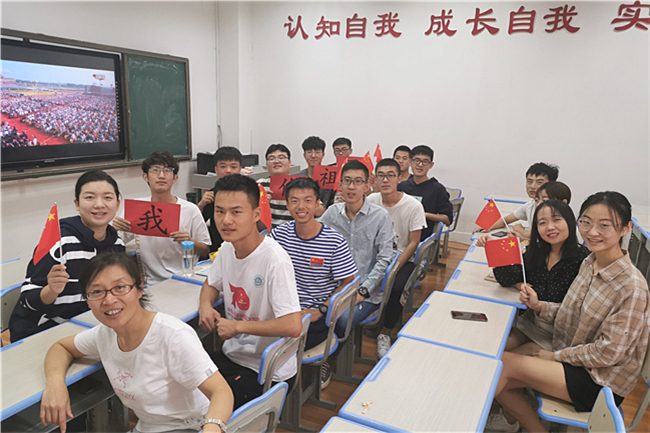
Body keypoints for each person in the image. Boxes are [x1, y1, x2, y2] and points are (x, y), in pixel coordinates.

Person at [490, 191, 650, 433]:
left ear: (626, 228)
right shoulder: (590, 263)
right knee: (493, 366)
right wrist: (539, 306)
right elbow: (571, 312)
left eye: (604, 225)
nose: (592, 232)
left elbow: (608, 353)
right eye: (586, 222)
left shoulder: (631, 287)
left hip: (599, 381)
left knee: (501, 366)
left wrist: (555, 356)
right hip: (572, 354)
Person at [40, 253, 233, 433]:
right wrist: (55, 384)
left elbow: (221, 392)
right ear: (87, 300)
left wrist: (212, 428)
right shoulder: (105, 334)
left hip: (190, 426)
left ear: (139, 288)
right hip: (148, 427)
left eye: (120, 288)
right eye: (97, 292)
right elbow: (60, 347)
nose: (109, 299)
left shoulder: (172, 336)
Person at [197, 174, 302, 409]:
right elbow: (211, 284)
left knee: (205, 409)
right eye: (220, 211)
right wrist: (205, 306)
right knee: (184, 383)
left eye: (236, 212)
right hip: (233, 355)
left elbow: (293, 326)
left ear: (256, 214)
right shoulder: (227, 247)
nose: (226, 220)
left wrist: (237, 327)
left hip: (267, 370)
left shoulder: (275, 260)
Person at [9, 170, 125, 342]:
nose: (99, 204)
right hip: (48, 329)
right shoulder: (59, 243)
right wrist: (51, 290)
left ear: (117, 204)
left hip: (91, 325)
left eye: (107, 198)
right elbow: (27, 300)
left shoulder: (117, 244)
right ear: (77, 204)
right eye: (90, 197)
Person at [271, 177, 357, 388]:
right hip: (281, 308)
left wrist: (321, 310)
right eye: (294, 201)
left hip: (314, 313)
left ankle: (283, 388)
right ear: (287, 204)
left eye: (308, 200)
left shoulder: (334, 240)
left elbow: (349, 282)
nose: (301, 207)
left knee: (281, 348)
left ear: (318, 203)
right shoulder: (278, 235)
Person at [319, 160, 396, 345]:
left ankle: (332, 357)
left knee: (340, 320)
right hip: (333, 285)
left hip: (365, 290)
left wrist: (364, 290)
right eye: (347, 181)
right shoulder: (331, 213)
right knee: (311, 313)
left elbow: (385, 259)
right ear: (340, 185)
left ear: (367, 186)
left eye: (358, 181)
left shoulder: (380, 217)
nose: (351, 186)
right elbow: (316, 240)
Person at [113, 151, 210, 286]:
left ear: (175, 178)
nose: (161, 175)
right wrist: (112, 228)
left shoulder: (190, 210)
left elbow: (205, 249)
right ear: (145, 177)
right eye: (155, 170)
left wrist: (190, 241)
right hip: (150, 283)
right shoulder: (138, 209)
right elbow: (115, 243)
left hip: (184, 278)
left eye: (167, 170)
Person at [368, 158, 426, 358]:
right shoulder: (370, 200)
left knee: (397, 287)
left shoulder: (413, 206)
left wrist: (394, 267)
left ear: (399, 178)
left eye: (390, 176)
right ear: (375, 179)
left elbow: (414, 242)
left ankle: (386, 331)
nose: (385, 180)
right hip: (376, 255)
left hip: (403, 257)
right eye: (381, 176)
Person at [476, 162, 559, 239]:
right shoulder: (531, 204)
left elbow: (530, 234)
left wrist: (518, 228)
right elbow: (505, 220)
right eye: (529, 181)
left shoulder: (552, 207)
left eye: (539, 182)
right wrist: (488, 227)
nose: (532, 186)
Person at [397, 145, 453, 241]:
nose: (420, 165)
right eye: (417, 160)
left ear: (431, 165)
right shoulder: (401, 186)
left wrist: (424, 214)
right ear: (410, 162)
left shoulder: (437, 189)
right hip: (398, 235)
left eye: (425, 161)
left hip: (422, 239)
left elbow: (447, 219)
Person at [198, 146, 243, 253]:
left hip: (242, 248)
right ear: (216, 170)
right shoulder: (211, 195)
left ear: (240, 169)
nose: (228, 171)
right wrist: (201, 205)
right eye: (223, 166)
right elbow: (197, 225)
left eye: (233, 167)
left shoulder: (248, 194)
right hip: (217, 251)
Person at [257, 144, 298, 229]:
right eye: (271, 158)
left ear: (290, 163)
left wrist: (301, 200)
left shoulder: (300, 184)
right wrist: (262, 203)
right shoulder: (259, 185)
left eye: (281, 157)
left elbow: (319, 211)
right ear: (267, 165)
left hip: (295, 231)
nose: (276, 161)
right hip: (268, 232)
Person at [294, 136, 336, 210]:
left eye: (317, 152)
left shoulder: (331, 176)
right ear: (304, 155)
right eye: (309, 152)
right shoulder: (296, 178)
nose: (313, 156)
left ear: (323, 155)